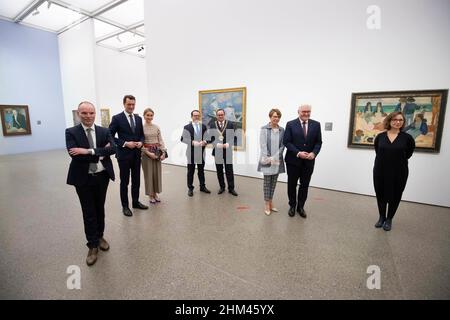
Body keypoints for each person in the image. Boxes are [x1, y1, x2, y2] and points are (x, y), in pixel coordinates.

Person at [65, 101, 116, 266]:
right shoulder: (71, 132)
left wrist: (88, 151)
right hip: (83, 178)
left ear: (95, 114)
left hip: (102, 176)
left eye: (91, 113)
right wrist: (102, 152)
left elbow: (113, 149)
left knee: (99, 208)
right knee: (88, 211)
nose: (88, 116)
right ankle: (92, 244)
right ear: (78, 114)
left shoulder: (104, 130)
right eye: (84, 113)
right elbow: (75, 156)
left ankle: (100, 235)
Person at [373, 111, 415, 231]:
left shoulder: (407, 138)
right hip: (380, 170)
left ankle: (389, 219)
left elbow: (408, 153)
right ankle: (381, 217)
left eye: (400, 120)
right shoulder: (380, 137)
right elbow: (378, 151)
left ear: (403, 122)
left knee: (395, 195)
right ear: (389, 121)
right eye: (395, 119)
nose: (397, 122)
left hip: (399, 171)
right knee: (380, 194)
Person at [109, 95, 149, 217]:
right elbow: (109, 135)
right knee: (124, 182)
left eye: (133, 104)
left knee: (136, 181)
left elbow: (141, 135)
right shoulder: (117, 118)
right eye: (129, 104)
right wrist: (125, 143)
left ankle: (135, 202)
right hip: (124, 156)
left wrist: (141, 142)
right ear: (124, 104)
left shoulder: (138, 118)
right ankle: (125, 206)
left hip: (136, 155)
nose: (131, 106)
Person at [283, 104, 322, 218]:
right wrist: (298, 153)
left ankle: (301, 206)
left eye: (308, 111)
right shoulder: (290, 124)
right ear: (298, 112)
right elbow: (287, 142)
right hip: (293, 161)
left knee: (304, 185)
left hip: (308, 162)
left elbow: (318, 142)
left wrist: (314, 153)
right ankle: (292, 206)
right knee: (292, 184)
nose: (306, 113)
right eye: (303, 111)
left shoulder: (316, 124)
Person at [257, 109, 285, 215]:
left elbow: (283, 145)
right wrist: (269, 157)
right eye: (274, 116)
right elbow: (263, 145)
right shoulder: (264, 129)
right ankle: (266, 204)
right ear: (270, 117)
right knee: (267, 183)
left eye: (278, 116)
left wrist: (276, 156)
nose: (276, 118)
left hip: (277, 159)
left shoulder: (282, 130)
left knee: (273, 183)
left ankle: (271, 201)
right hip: (266, 159)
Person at [181, 110, 211, 197]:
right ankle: (190, 188)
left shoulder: (204, 126)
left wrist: (205, 141)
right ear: (192, 117)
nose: (196, 117)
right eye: (195, 116)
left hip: (201, 153)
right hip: (191, 153)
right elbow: (182, 139)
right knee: (191, 171)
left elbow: (208, 138)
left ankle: (202, 187)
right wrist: (192, 142)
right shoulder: (187, 127)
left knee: (201, 171)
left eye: (198, 115)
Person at [209, 108, 238, 196]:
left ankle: (231, 188)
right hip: (217, 151)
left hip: (227, 151)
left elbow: (234, 137)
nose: (220, 116)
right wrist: (216, 144)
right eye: (219, 115)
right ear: (216, 116)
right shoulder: (212, 125)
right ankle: (222, 187)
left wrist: (228, 144)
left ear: (224, 115)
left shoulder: (230, 124)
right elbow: (210, 138)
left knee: (229, 170)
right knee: (219, 170)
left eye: (222, 115)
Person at [141, 108, 167, 204]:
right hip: (146, 154)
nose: (149, 117)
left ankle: (155, 193)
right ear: (144, 116)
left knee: (156, 174)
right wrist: (148, 153)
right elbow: (140, 143)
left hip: (157, 152)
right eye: (148, 115)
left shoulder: (156, 127)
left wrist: (163, 152)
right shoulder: (141, 128)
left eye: (151, 115)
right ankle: (150, 195)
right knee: (149, 175)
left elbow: (160, 140)